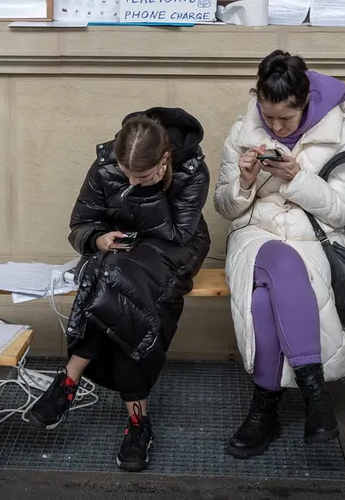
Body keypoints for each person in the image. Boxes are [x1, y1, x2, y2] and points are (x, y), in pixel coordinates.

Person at [29, 108, 211, 472]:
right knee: (120, 294)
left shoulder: (192, 170)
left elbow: (178, 233)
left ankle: (68, 379)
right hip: (120, 253)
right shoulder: (106, 163)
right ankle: (138, 423)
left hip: (175, 251)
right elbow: (81, 223)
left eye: (138, 174)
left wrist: (150, 189)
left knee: (117, 283)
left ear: (163, 160)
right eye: (124, 172)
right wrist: (97, 238)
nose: (129, 179)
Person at [213, 50, 345, 459]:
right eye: (268, 116)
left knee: (266, 298)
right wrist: (245, 183)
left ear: (305, 102)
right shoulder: (242, 131)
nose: (275, 125)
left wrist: (297, 179)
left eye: (285, 118)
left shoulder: (337, 133)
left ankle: (263, 410)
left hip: (315, 239)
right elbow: (224, 207)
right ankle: (316, 399)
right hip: (255, 234)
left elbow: (343, 212)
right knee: (279, 262)